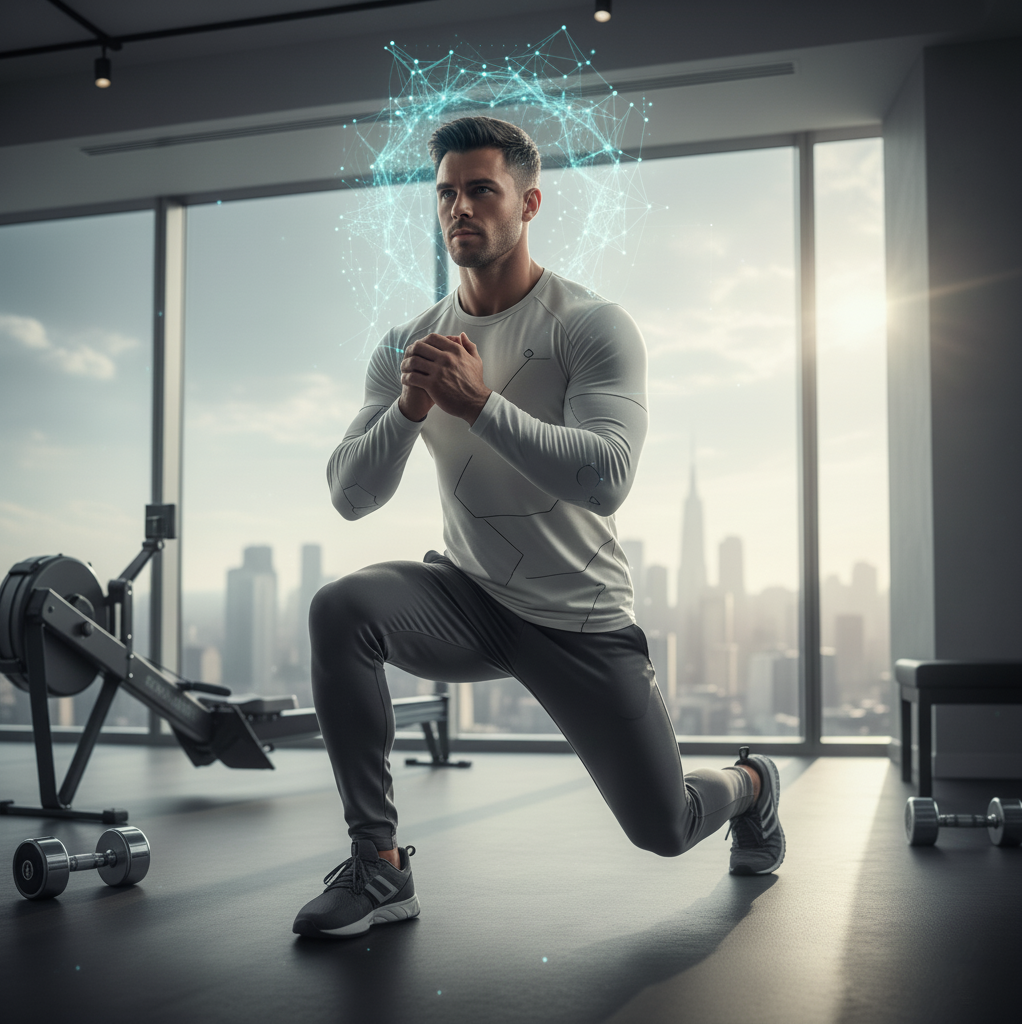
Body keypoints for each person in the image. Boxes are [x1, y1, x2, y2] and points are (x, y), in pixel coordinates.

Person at [293, 116, 785, 939]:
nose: (460, 208)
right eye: (446, 192)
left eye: (481, 189)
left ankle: (751, 784)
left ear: (529, 202)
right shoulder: (406, 344)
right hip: (468, 596)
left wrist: (480, 405)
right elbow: (350, 496)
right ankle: (378, 869)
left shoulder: (590, 326)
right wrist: (411, 410)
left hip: (579, 620)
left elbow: (606, 477)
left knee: (664, 829)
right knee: (340, 608)